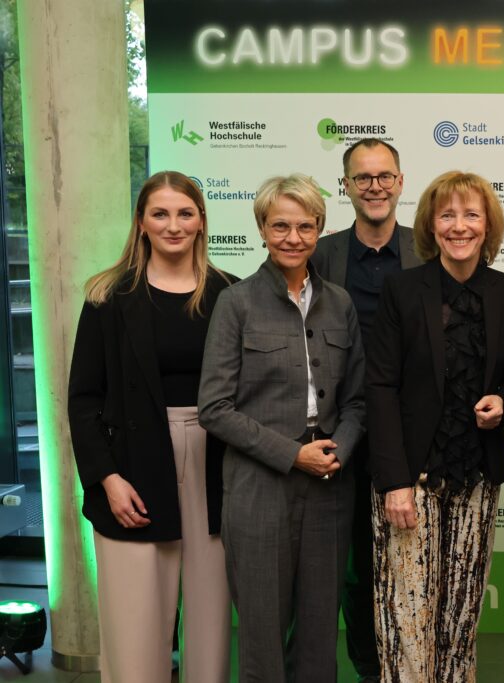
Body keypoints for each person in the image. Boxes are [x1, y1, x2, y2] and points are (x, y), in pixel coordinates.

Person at [67, 171, 234, 683]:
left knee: (211, 628)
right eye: (160, 213)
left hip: (218, 465)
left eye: (185, 213)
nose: (173, 224)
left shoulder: (232, 294)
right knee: (135, 629)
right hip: (133, 467)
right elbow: (82, 399)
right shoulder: (107, 297)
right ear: (141, 222)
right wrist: (107, 479)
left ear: (202, 221)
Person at [198, 173, 365, 682]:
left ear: (319, 230)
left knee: (319, 636)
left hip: (329, 490)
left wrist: (339, 449)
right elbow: (215, 407)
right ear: (262, 230)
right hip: (258, 489)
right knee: (262, 637)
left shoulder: (340, 303)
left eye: (305, 226)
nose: (293, 237)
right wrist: (294, 455)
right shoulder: (236, 303)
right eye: (280, 226)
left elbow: (358, 400)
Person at [366, 171, 504, 682]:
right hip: (410, 479)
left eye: (471, 214)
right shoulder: (403, 289)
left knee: (461, 618)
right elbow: (381, 386)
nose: (459, 226)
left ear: (488, 224)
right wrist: (393, 483)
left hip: (477, 477)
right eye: (447, 215)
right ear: (431, 226)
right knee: (407, 620)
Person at [309, 138, 421, 683]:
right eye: (362, 178)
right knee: (355, 569)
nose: (374, 186)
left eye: (384, 176)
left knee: (410, 564)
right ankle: (370, 670)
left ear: (400, 182)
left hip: (414, 435)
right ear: (346, 186)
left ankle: (411, 663)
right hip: (342, 435)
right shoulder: (319, 255)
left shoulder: (431, 247)